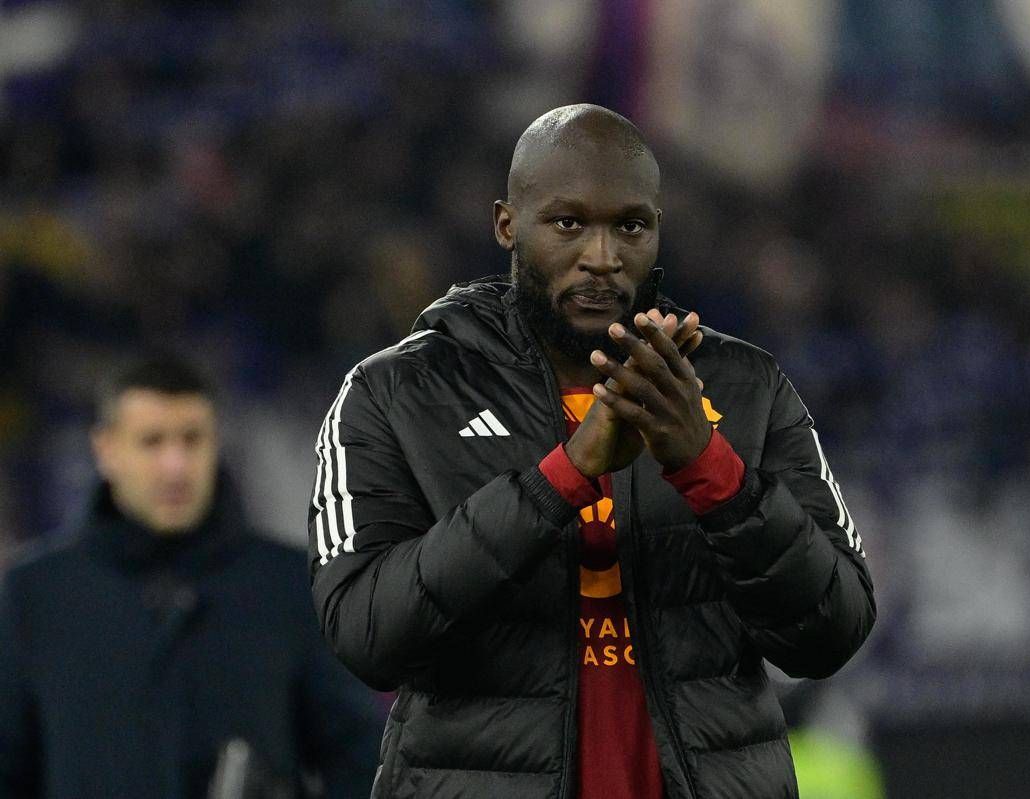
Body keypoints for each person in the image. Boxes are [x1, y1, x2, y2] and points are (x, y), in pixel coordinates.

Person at [308, 104, 875, 798]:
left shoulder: (744, 387)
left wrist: (711, 469)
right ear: (507, 224)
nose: (602, 257)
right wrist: (565, 475)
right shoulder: (399, 394)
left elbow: (834, 629)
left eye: (630, 226)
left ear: (657, 228)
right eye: (568, 223)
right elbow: (366, 635)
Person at [0, 356, 381, 798]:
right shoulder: (35, 595)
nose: (175, 466)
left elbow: (358, 759)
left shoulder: (290, 585)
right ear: (106, 450)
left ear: (215, 443)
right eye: (152, 442)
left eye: (192, 439)